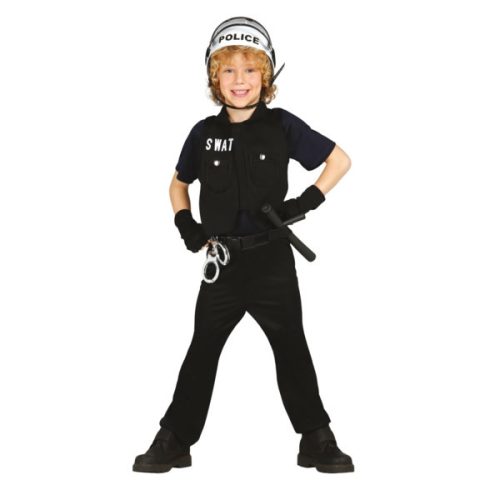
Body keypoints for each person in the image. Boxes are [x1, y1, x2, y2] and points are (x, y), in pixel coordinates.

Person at [133, 16, 354, 474]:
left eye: (251, 70)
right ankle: (175, 439)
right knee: (202, 350)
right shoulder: (202, 133)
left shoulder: (283, 126)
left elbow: (339, 160)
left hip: (272, 261)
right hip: (223, 262)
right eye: (229, 70)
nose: (240, 80)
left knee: (291, 347)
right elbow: (177, 185)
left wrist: (305, 203)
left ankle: (316, 438)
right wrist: (186, 225)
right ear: (214, 77)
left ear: (266, 75)